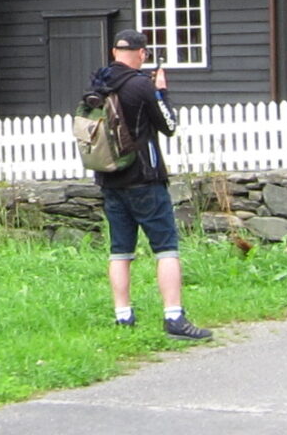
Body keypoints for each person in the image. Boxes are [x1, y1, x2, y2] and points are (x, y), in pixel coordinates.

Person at [86, 30, 212, 341]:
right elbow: (168, 126)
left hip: (110, 179)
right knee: (166, 248)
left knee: (120, 251)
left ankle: (123, 316)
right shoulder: (141, 85)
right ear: (142, 54)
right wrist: (162, 92)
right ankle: (174, 317)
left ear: (115, 52)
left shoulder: (97, 84)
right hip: (144, 179)